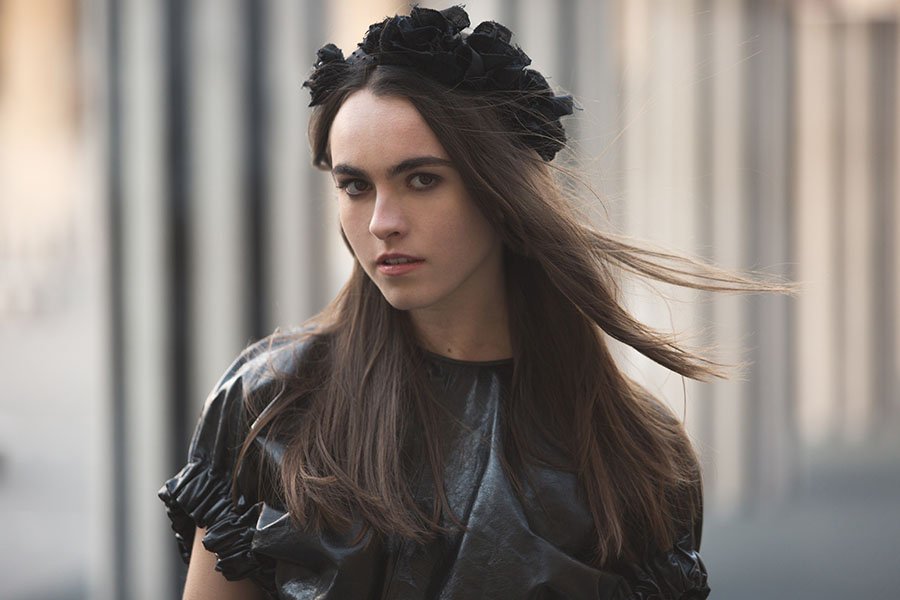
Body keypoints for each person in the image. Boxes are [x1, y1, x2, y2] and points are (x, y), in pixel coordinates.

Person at [159, 6, 776, 599]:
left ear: (500, 191)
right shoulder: (270, 401)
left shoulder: (636, 450)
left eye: (422, 179)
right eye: (354, 185)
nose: (381, 222)